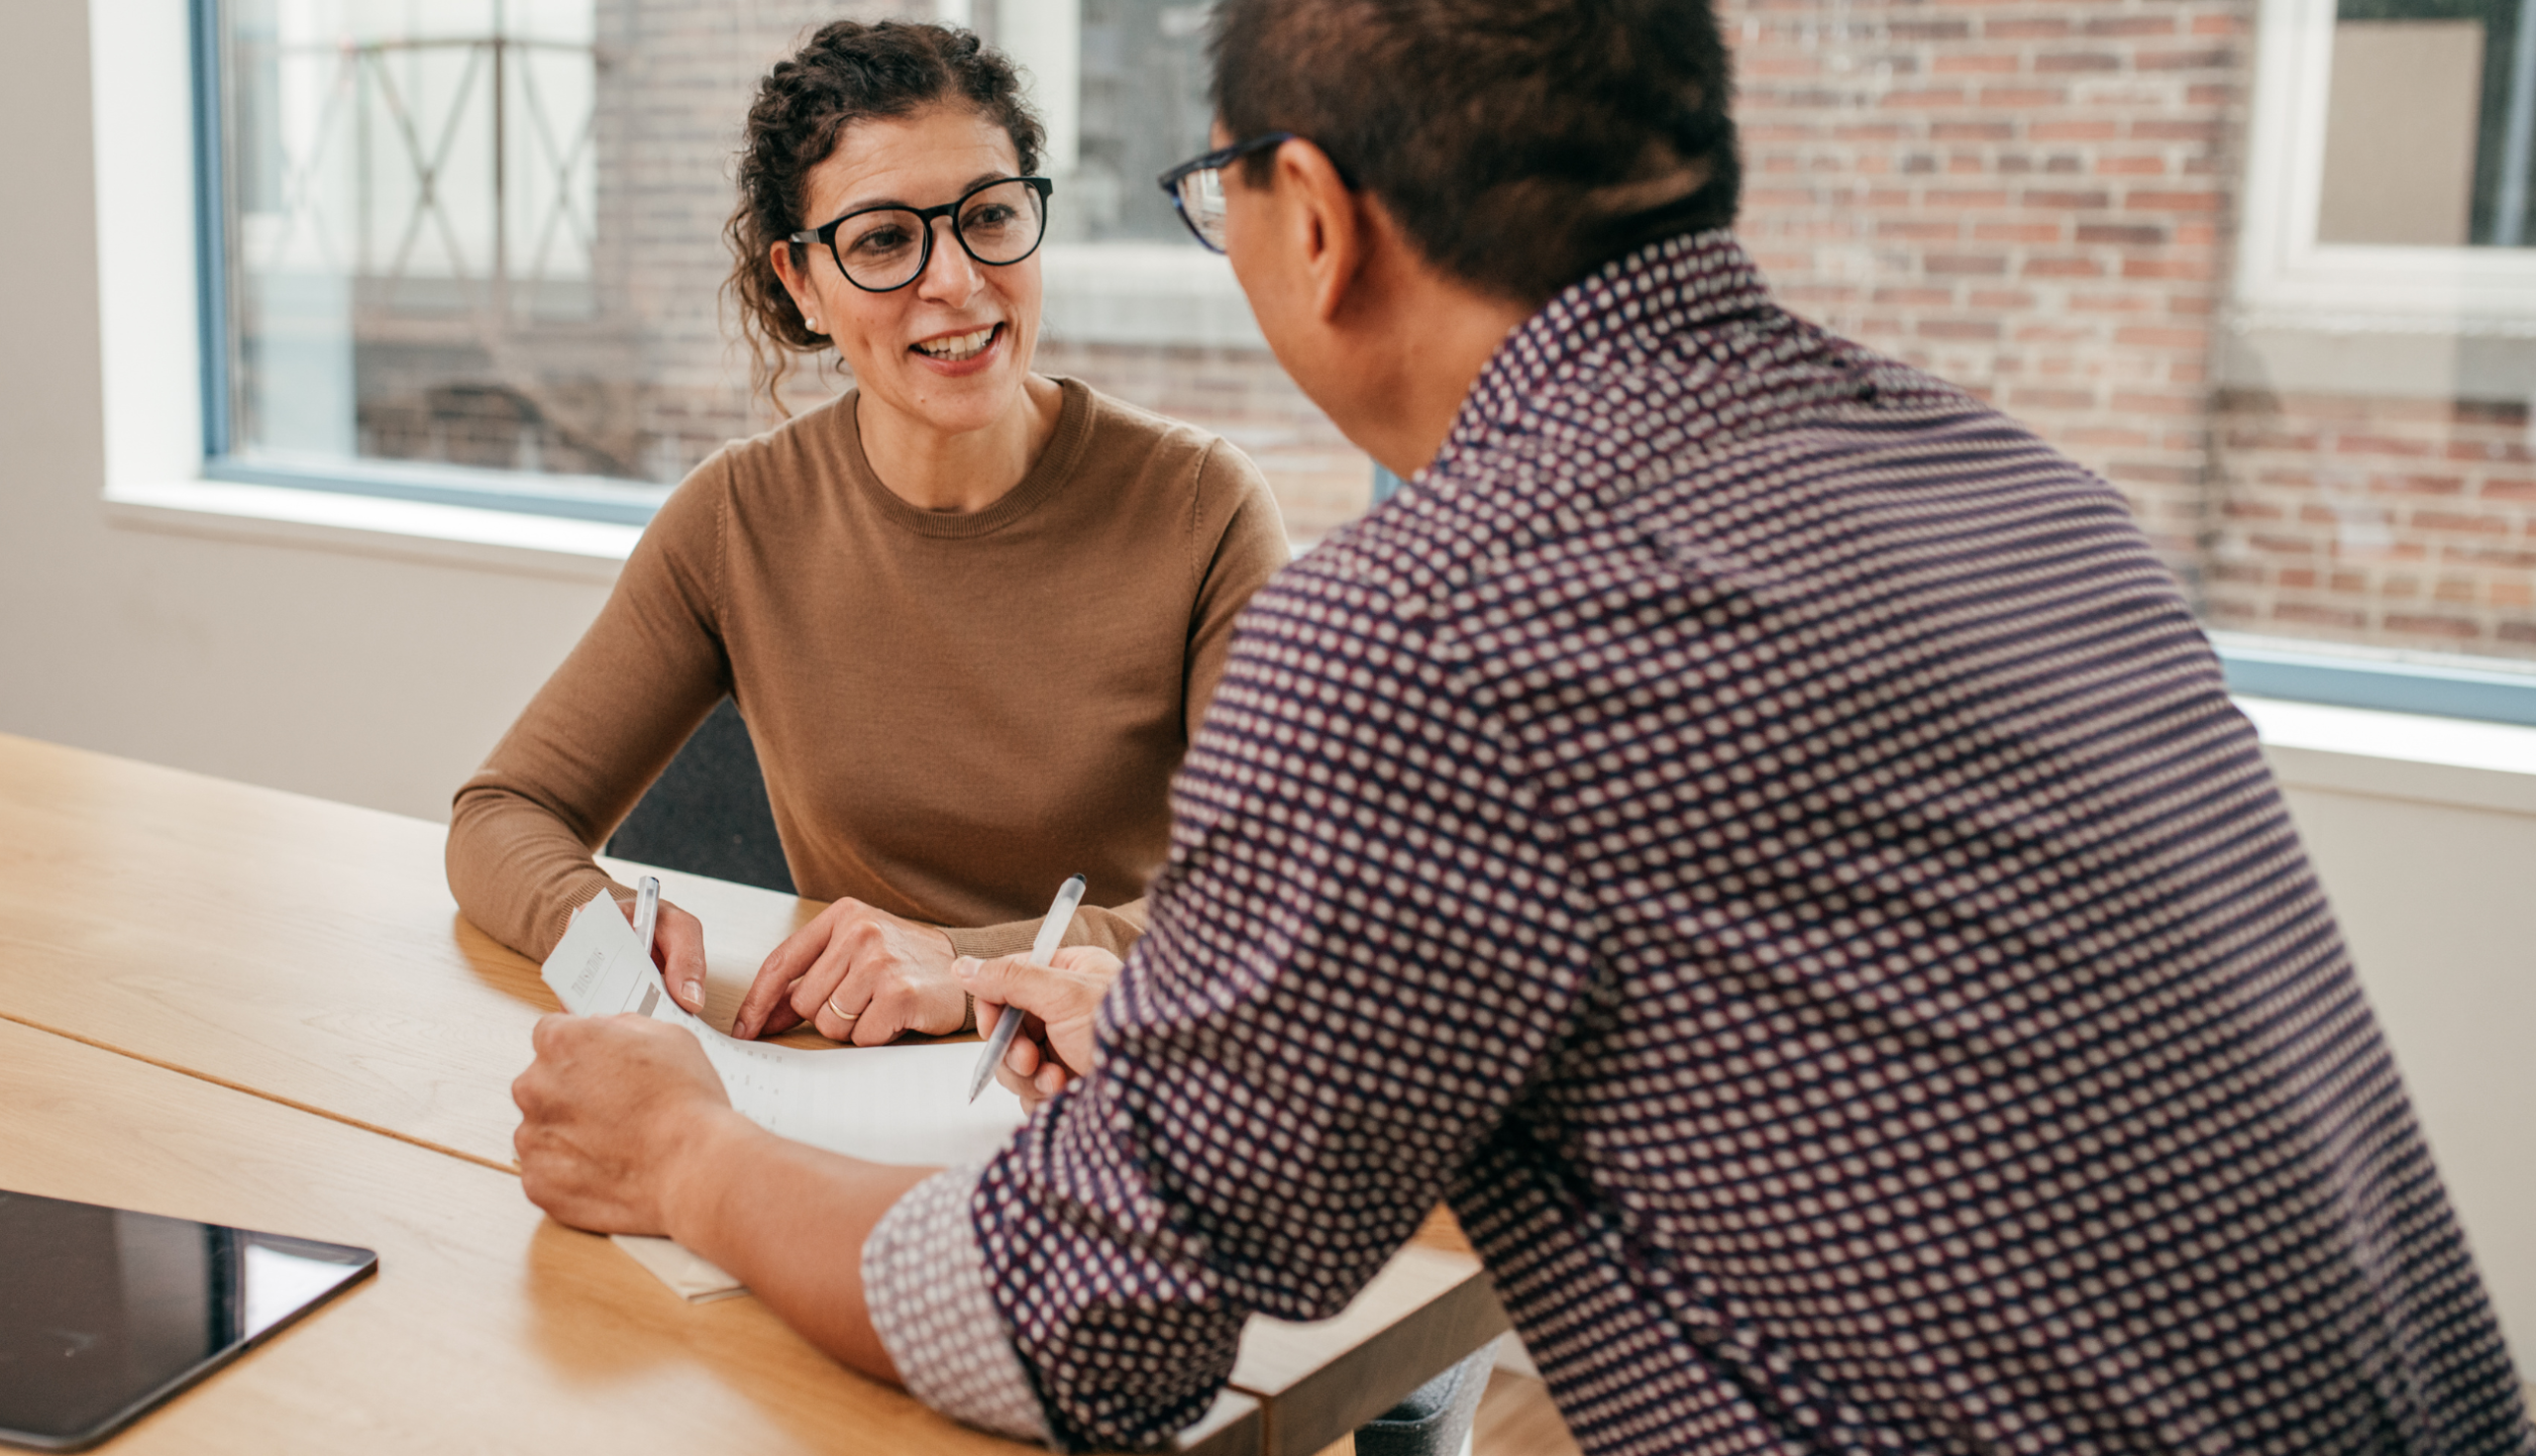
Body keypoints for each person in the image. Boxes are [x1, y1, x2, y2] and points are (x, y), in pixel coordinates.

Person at [511, 1, 2536, 1452]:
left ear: (1311, 215)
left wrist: (688, 1156)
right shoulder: (2020, 497)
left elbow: (1079, 1334)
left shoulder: (1422, 627)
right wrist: (1172, 1025)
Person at [448, 20, 1287, 1048]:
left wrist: (970, 971)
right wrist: (602, 918)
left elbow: (1274, 897)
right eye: (885, 239)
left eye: (989, 215)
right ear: (801, 283)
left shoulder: (1201, 506)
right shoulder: (736, 520)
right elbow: (503, 813)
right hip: (844, 1075)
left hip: (1121, 1068)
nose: (955, 280)